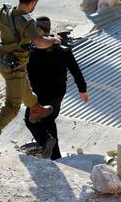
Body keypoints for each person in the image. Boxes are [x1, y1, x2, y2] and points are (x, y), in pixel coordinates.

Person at [0, 0, 62, 151]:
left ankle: (35, 109)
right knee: (12, 105)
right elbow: (40, 43)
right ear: (34, 2)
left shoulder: (5, 12)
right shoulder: (27, 21)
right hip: (14, 68)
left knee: (24, 85)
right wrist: (54, 40)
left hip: (3, 61)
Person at [24, 16, 89, 160]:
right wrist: (82, 89)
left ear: (40, 29)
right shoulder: (61, 48)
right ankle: (55, 156)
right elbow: (75, 70)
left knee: (31, 120)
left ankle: (46, 143)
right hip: (57, 93)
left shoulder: (32, 49)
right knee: (49, 120)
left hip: (39, 95)